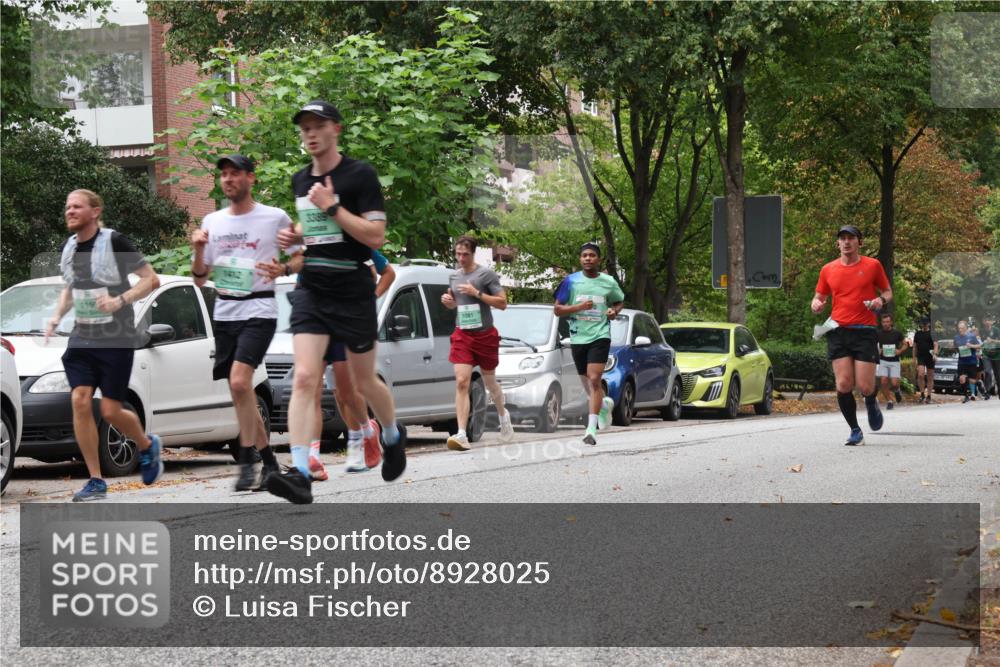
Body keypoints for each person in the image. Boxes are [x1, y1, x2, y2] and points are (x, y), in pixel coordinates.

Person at [267, 100, 406, 504]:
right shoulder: (299, 180)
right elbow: (315, 229)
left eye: (318, 126)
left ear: (336, 129)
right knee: (304, 378)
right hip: (312, 288)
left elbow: (375, 236)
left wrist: (333, 206)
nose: (310, 133)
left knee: (363, 383)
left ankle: (392, 434)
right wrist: (296, 234)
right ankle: (300, 474)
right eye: (304, 128)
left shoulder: (360, 175)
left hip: (352, 287)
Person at [45, 189, 163, 501]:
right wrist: (56, 316)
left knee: (110, 410)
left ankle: (147, 445)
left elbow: (151, 280)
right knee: (80, 400)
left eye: (77, 206)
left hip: (116, 337)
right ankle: (96, 480)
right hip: (82, 337)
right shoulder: (69, 247)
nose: (70, 211)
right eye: (67, 206)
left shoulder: (115, 242)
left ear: (95, 211)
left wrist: (119, 300)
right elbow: (71, 289)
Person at [190, 154, 292, 491]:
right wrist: (198, 249)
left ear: (251, 178)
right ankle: (270, 462)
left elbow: (303, 254)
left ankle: (247, 460)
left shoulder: (274, 217)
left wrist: (285, 268)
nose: (228, 179)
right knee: (241, 391)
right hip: (225, 312)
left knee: (238, 382)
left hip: (260, 308)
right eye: (224, 175)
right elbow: (200, 278)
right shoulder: (213, 220)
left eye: (235, 173)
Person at [811, 225, 892, 446]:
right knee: (844, 384)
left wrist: (880, 301)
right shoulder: (828, 269)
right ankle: (855, 430)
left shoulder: (872, 265)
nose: (846, 242)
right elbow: (819, 297)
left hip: (864, 331)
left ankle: (871, 400)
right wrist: (816, 304)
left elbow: (887, 292)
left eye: (851, 238)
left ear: (859, 242)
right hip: (838, 330)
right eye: (843, 238)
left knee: (865, 386)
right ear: (838, 243)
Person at [440, 236, 514, 451]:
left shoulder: (485, 274)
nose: (461, 258)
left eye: (465, 254)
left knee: (490, 383)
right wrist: (449, 302)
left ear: (473, 254)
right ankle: (461, 433)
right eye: (458, 254)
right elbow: (456, 303)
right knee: (462, 381)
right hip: (463, 335)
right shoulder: (454, 276)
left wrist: (477, 293)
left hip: (485, 336)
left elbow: (502, 303)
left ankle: (503, 415)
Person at [553, 242, 625, 446]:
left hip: (600, 335)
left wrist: (614, 311)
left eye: (592, 255)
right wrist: (579, 307)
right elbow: (557, 310)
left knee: (594, 379)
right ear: (580, 259)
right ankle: (604, 405)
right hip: (578, 337)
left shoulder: (608, 282)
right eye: (584, 255)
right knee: (587, 384)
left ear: (598, 259)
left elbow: (619, 301)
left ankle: (591, 430)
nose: (588, 258)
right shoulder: (570, 281)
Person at [875, 313, 908, 410]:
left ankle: (897, 390)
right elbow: (873, 345)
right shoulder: (878, 334)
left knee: (894, 383)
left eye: (887, 322)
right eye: (884, 322)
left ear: (891, 322)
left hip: (894, 361)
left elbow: (905, 344)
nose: (885, 324)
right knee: (883, 381)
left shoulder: (897, 333)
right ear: (881, 323)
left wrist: (899, 351)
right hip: (883, 361)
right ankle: (889, 401)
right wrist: (878, 350)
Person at [953, 320, 982, 403]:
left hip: (971, 361)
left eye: (962, 328)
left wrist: (971, 346)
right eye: (959, 328)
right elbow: (955, 347)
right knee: (961, 379)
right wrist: (954, 348)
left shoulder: (972, 336)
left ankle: (978, 383)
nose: (960, 330)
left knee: (971, 380)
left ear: (966, 328)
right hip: (961, 361)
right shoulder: (956, 337)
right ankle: (966, 396)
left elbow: (979, 346)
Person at [912, 317, 938, 404]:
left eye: (925, 323)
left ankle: (929, 396)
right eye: (923, 323)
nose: (924, 325)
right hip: (921, 356)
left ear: (929, 324)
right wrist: (914, 358)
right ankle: (922, 394)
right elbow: (914, 346)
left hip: (930, 357)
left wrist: (935, 354)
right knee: (920, 374)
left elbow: (935, 344)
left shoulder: (932, 333)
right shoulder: (917, 334)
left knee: (930, 376)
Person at [983, 314, 1000, 399]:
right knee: (987, 372)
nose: (987, 322)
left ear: (991, 322)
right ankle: (987, 392)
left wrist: (992, 340)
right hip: (986, 355)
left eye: (988, 320)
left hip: (996, 355)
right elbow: (979, 342)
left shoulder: (996, 330)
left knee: (998, 375)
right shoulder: (982, 331)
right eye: (985, 320)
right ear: (984, 322)